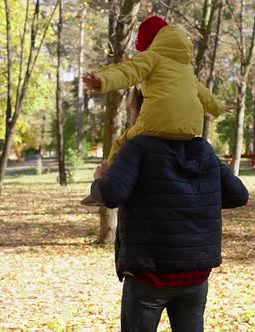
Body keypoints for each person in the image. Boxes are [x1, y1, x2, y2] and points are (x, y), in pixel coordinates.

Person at [89, 127, 249, 330]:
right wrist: (196, 199)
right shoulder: (203, 149)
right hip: (195, 274)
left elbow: (111, 194)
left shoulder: (137, 146)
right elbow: (238, 194)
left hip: (148, 275)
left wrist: (99, 181)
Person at [80, 16, 233, 206]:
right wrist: (219, 107)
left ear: (150, 43)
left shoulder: (152, 58)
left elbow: (127, 71)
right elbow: (203, 94)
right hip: (190, 130)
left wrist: (101, 80)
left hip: (158, 122)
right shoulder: (185, 68)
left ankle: (105, 183)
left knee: (122, 142)